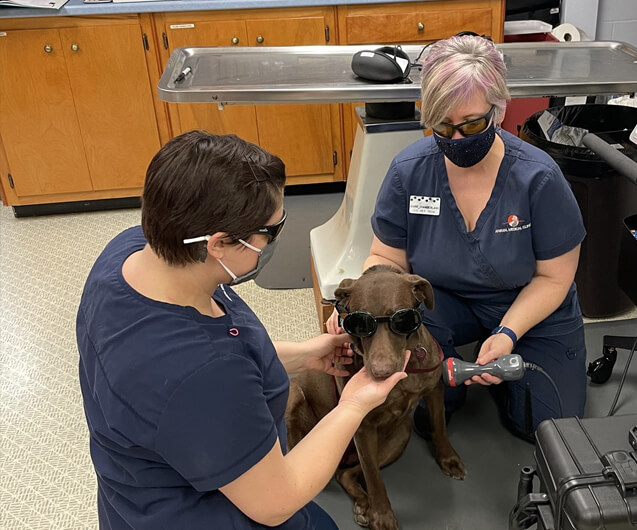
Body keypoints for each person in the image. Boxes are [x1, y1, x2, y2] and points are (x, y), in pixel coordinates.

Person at [76, 130, 409, 530]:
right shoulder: (201, 376)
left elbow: (215, 355)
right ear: (217, 244)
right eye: (270, 232)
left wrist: (301, 355)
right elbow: (276, 501)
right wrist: (353, 404)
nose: (273, 241)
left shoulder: (132, 254)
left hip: (136, 492)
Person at [327, 35, 587, 443]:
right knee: (429, 417)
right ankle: (459, 378)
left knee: (545, 429)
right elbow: (386, 259)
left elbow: (555, 278)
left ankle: (507, 371)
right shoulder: (409, 171)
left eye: (472, 125)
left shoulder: (539, 178)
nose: (459, 139)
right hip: (444, 301)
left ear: (499, 110)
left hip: (528, 301)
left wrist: (507, 333)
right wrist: (363, 306)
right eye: (444, 127)